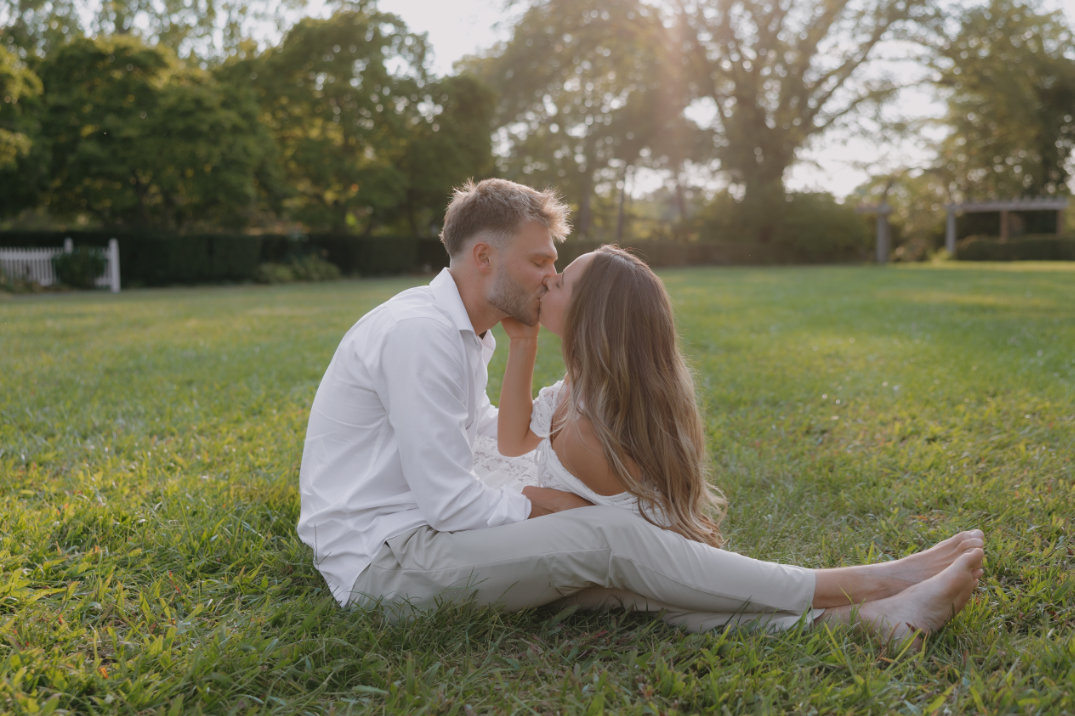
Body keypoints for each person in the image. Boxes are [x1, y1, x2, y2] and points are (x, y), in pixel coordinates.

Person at [298, 178, 984, 644]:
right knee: (609, 542)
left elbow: (481, 438)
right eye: (539, 261)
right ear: (483, 256)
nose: (548, 277)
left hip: (419, 545)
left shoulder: (462, 334)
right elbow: (452, 504)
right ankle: (863, 582)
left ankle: (868, 624)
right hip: (388, 568)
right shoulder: (419, 333)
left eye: (554, 264)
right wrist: (556, 509)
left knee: (628, 578)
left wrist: (549, 501)